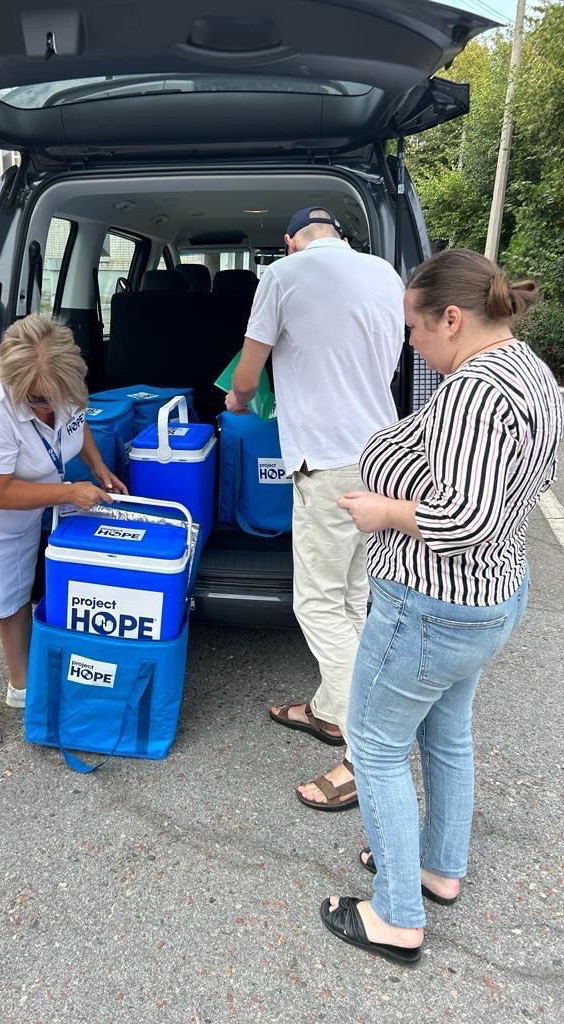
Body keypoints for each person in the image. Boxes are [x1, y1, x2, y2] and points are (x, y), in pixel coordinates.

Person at [321, 249, 563, 965]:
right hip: (489, 597)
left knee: (373, 744)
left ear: (451, 318)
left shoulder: (473, 392)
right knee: (444, 735)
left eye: (415, 329)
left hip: (430, 604)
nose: (410, 343)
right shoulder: (532, 375)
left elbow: (463, 520)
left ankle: (396, 914)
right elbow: (525, 485)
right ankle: (436, 868)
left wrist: (382, 512)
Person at [226, 207, 404, 809]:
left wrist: (237, 401)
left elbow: (248, 374)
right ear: (342, 236)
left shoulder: (282, 275)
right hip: (385, 453)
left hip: (326, 462)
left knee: (318, 602)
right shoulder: (385, 273)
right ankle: (330, 711)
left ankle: (365, 753)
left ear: (290, 241)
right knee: (355, 595)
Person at [0, 314, 127, 748]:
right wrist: (70, 492)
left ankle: (23, 686)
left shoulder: (60, 380)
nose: (49, 408)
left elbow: (75, 425)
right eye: (37, 402)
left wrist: (97, 466)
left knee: (17, 591)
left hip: (27, 493)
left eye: (56, 398)